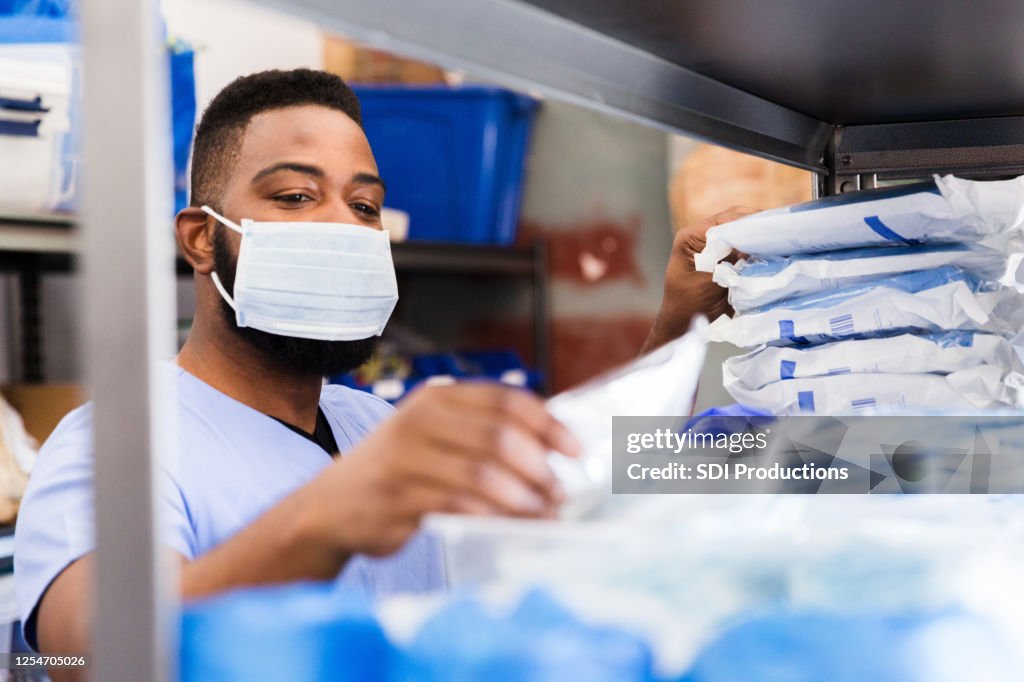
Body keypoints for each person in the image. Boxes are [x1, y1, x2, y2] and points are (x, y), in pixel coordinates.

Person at [13, 68, 745, 670]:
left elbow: (574, 505)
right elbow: (90, 659)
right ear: (202, 239)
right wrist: (331, 512)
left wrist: (680, 326)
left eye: (364, 206)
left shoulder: (370, 423)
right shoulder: (113, 447)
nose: (343, 225)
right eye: (295, 197)